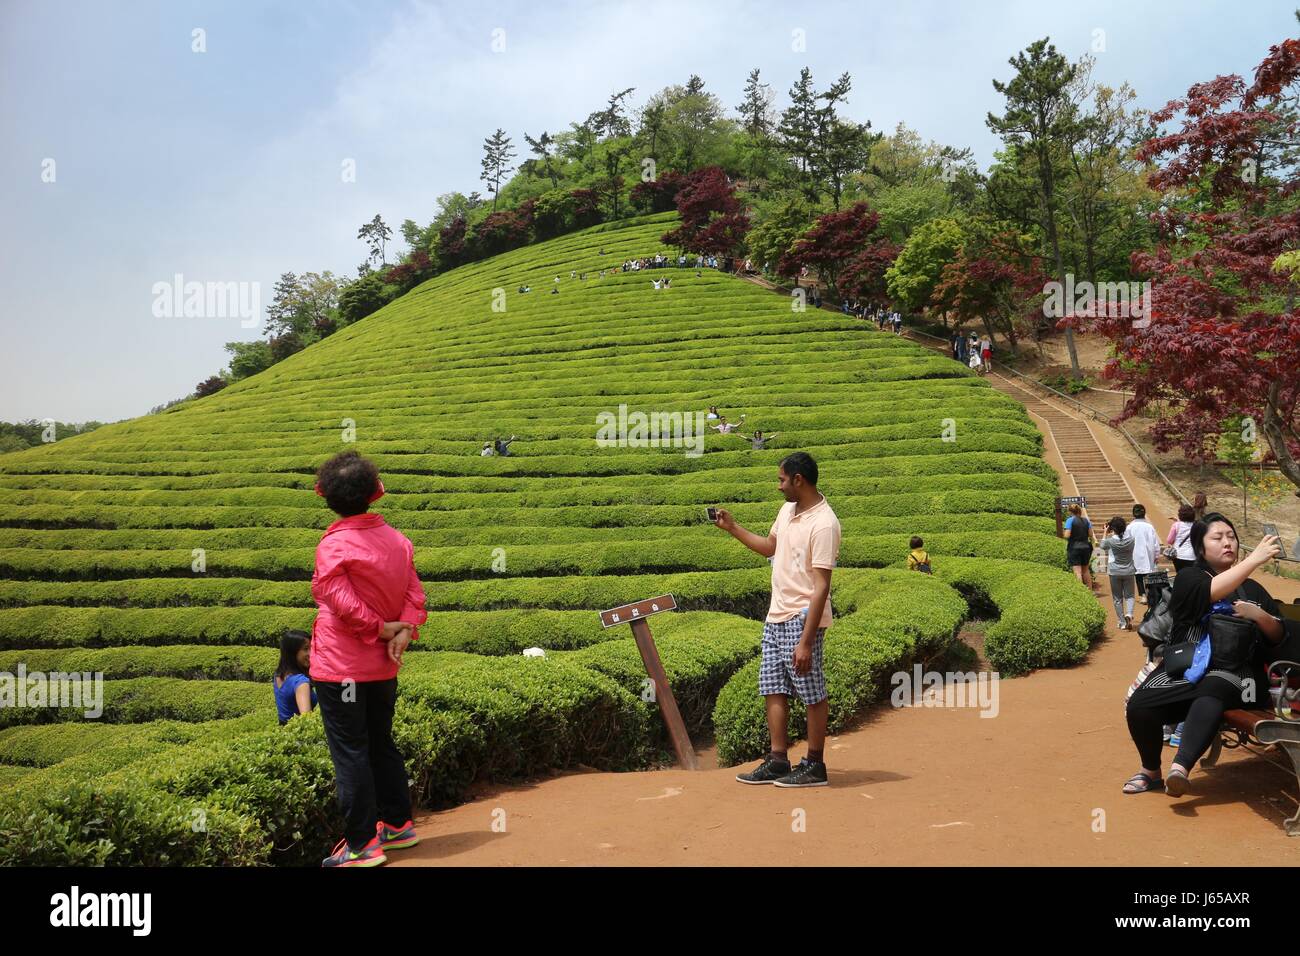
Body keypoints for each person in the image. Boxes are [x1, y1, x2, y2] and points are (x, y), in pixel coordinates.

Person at [310, 450, 427, 867]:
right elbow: (414, 592)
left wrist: (379, 629)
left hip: (341, 665)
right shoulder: (398, 540)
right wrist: (404, 628)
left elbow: (338, 600)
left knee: (351, 752)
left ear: (326, 497)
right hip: (382, 665)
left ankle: (362, 845)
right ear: (375, 493)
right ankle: (397, 825)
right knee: (380, 742)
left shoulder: (334, 544)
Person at [1121, 516, 1285, 796]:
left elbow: (1279, 635)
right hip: (1190, 666)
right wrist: (1254, 560)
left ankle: (1180, 768)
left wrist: (1258, 614)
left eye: (1231, 536)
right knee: (1139, 706)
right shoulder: (1189, 579)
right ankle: (1151, 771)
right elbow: (1210, 592)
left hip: (1241, 675)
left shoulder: (1253, 589)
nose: (1227, 542)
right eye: (1217, 537)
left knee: (1212, 689)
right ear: (1200, 546)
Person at [712, 452, 842, 788]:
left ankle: (815, 764)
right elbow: (770, 546)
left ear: (799, 479)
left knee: (811, 691)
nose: (779, 485)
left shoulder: (824, 523)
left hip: (801, 617)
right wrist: (733, 528)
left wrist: (806, 642)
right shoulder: (787, 511)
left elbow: (822, 586)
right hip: (776, 614)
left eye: (782, 479)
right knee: (773, 688)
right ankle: (778, 759)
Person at [1099, 516, 1138, 629]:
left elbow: (1102, 546)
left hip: (1114, 571)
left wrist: (1106, 532)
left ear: (1112, 528)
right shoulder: (1131, 540)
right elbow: (1124, 537)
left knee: (1117, 598)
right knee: (1130, 595)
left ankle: (1122, 622)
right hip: (1129, 571)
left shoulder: (1110, 542)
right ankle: (1129, 614)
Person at [273, 629, 316, 725]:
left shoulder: (278, 675)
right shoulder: (301, 682)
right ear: (292, 653)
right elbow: (307, 720)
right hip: (296, 735)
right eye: (305, 649)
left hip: (283, 732)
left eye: (311, 648)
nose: (311, 653)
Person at [1128, 504, 1160, 603]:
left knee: (1138, 574)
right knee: (1148, 573)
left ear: (1133, 514)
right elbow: (1155, 542)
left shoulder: (1130, 527)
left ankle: (1143, 595)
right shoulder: (1149, 527)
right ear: (1144, 514)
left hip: (1135, 553)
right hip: (1148, 552)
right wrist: (1157, 554)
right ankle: (1149, 594)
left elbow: (1126, 541)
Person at [1064, 503, 1097, 591]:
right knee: (1086, 570)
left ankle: (1080, 592)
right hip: (1086, 547)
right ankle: (1090, 591)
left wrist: (1065, 533)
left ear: (1070, 512)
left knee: (1077, 571)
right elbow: (1090, 534)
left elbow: (1067, 535)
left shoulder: (1070, 520)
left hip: (1074, 547)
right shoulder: (1086, 521)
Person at [1166, 504, 1197, 572]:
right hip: (1192, 556)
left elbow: (1169, 540)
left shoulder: (1176, 525)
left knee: (1180, 574)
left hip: (1178, 555)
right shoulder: (1196, 525)